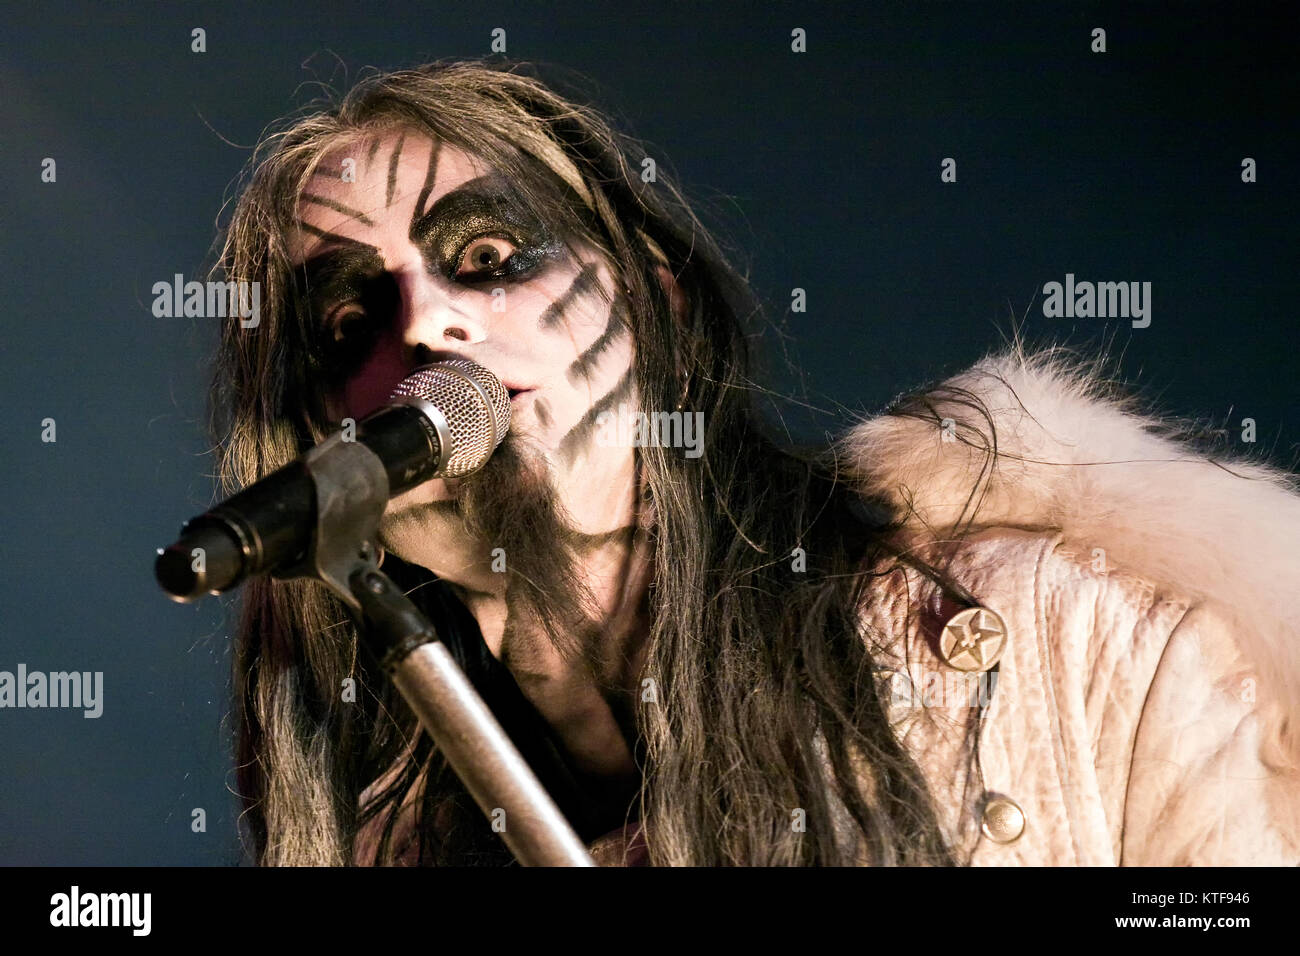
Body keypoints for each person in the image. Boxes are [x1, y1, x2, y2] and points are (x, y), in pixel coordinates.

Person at [211, 58, 1300, 866]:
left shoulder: (1063, 644)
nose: (429, 323)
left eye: (489, 258)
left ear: (657, 302)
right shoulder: (383, 847)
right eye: (352, 318)